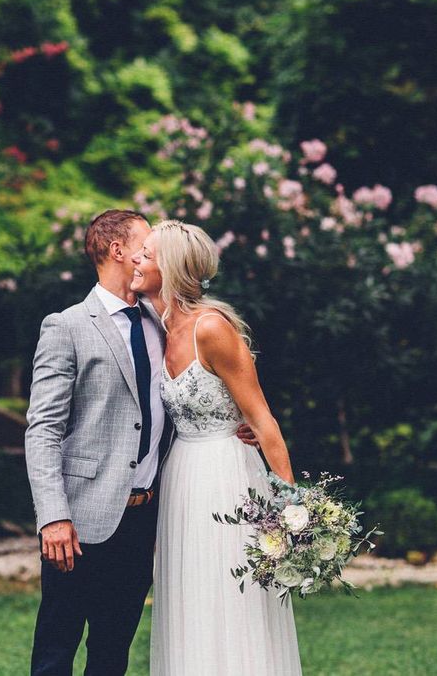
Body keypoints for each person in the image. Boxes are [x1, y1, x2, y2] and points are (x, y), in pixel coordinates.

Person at [24, 209, 256, 676]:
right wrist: (54, 517)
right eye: (146, 245)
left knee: (112, 653)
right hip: (80, 521)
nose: (155, 254)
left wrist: (233, 421)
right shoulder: (66, 326)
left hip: (145, 518)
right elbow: (43, 429)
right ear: (118, 251)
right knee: (57, 648)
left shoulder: (162, 322)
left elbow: (196, 391)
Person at [132, 219, 302, 676]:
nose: (136, 260)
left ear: (167, 267)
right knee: (190, 594)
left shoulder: (212, 328)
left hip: (226, 476)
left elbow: (262, 418)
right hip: (182, 476)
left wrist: (292, 511)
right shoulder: (157, 327)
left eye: (146, 254)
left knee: (229, 597)